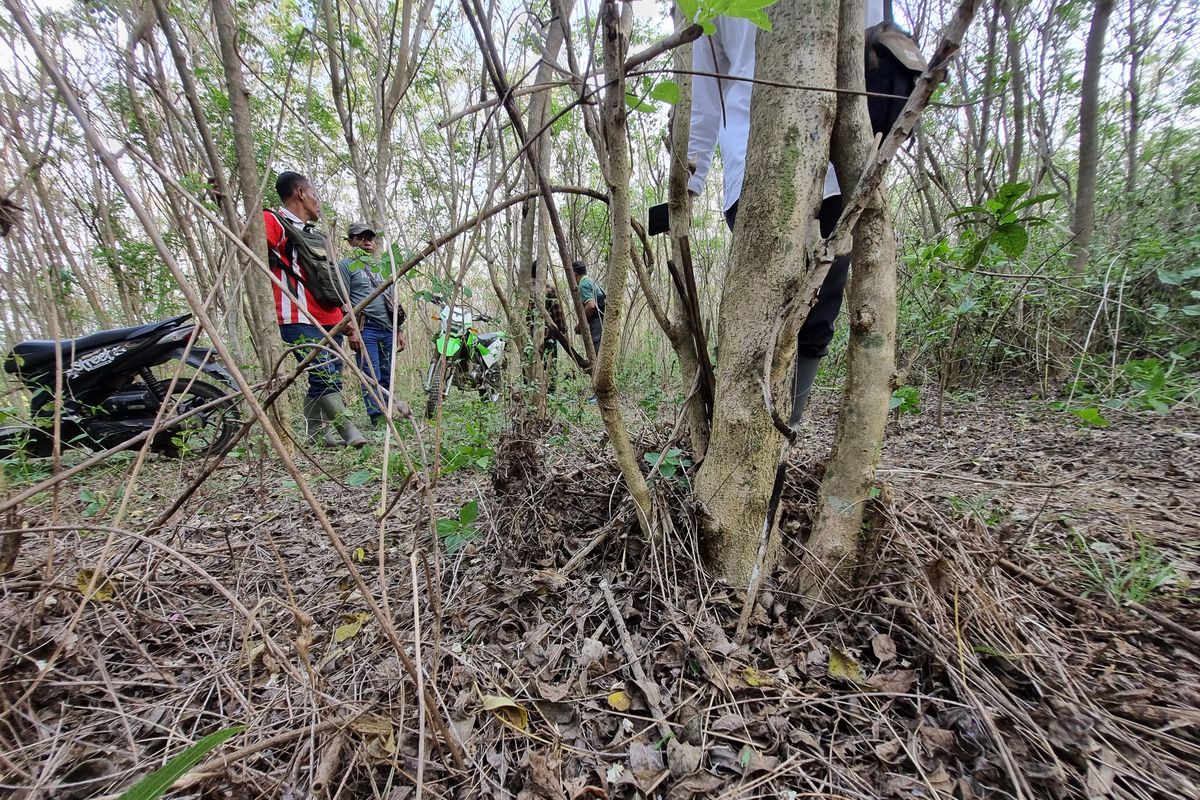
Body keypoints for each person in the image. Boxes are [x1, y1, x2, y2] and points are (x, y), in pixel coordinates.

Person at [688, 2, 886, 424]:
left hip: (836, 167)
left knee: (819, 312)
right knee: (760, 315)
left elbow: (868, 45)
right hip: (750, 164)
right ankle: (743, 434)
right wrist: (690, 179)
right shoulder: (705, 7)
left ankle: (783, 437)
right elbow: (702, 92)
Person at [264, 171, 366, 448]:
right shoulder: (275, 221)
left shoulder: (317, 235)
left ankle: (317, 435)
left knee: (328, 373)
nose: (318, 203)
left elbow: (332, 280)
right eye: (315, 196)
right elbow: (248, 239)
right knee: (323, 374)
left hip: (331, 317)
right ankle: (349, 430)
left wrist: (348, 318)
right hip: (298, 315)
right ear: (300, 193)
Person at [340, 222, 406, 429]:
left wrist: (399, 330)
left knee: (387, 374)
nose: (367, 242)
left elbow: (392, 301)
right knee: (371, 374)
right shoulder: (346, 265)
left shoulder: (383, 267)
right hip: (365, 328)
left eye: (370, 238)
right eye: (361, 238)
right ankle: (377, 418)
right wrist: (350, 331)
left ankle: (387, 415)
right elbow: (342, 299)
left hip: (388, 328)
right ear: (351, 241)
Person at [573, 260, 606, 404]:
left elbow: (591, 305)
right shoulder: (593, 282)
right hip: (603, 322)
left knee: (597, 356)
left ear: (574, 273)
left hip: (597, 323)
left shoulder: (583, 284)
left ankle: (599, 394)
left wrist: (580, 325)